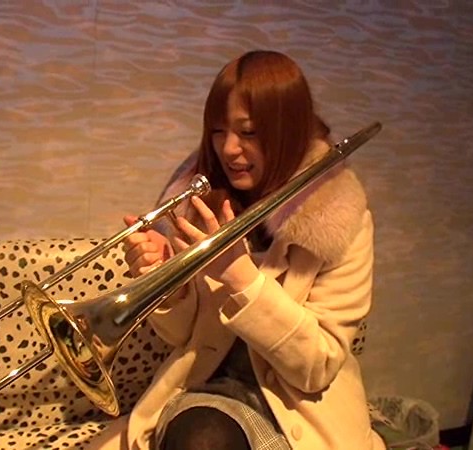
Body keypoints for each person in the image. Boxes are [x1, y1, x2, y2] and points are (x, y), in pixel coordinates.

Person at [107, 50, 383, 450]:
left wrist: (243, 278)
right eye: (218, 131)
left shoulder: (340, 220)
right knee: (201, 438)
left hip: (298, 410)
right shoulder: (198, 198)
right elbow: (180, 336)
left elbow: (317, 367)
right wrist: (165, 282)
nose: (229, 149)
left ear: (286, 130)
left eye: (248, 132)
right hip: (206, 391)